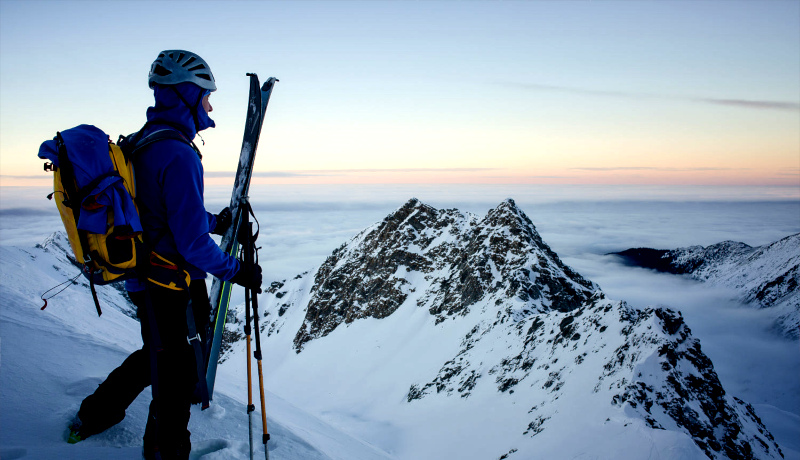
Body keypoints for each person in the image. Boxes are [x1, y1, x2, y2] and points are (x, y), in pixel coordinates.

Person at [67, 50, 262, 460]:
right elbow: (190, 244)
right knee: (176, 376)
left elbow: (160, 214)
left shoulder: (142, 142)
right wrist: (238, 271)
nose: (209, 105)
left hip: (144, 279)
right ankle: (165, 453)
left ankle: (95, 414)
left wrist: (216, 222)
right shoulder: (179, 153)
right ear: (185, 94)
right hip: (170, 284)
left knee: (156, 355)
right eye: (205, 95)